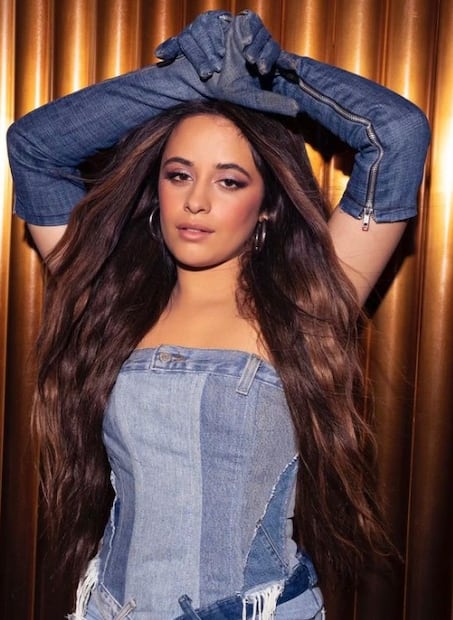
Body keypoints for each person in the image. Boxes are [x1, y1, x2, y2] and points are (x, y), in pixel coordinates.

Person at [7, 10, 430, 620]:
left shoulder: (307, 303)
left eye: (229, 182)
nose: (196, 201)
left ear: (267, 205)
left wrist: (269, 74)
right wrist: (189, 79)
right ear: (157, 188)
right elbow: (33, 148)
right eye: (179, 175)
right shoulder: (107, 294)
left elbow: (395, 134)